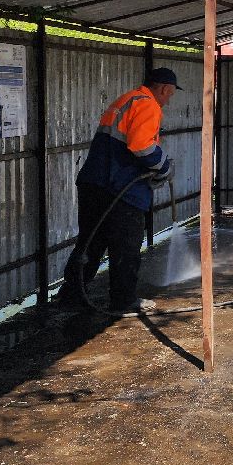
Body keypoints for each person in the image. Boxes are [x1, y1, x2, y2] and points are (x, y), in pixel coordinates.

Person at [56, 68, 177, 314]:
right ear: (164, 89)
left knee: (91, 241)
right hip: (120, 190)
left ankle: (72, 294)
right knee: (126, 245)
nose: (169, 100)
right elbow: (142, 146)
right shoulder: (148, 105)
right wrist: (165, 168)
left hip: (94, 184)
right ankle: (123, 301)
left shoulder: (125, 100)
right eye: (170, 94)